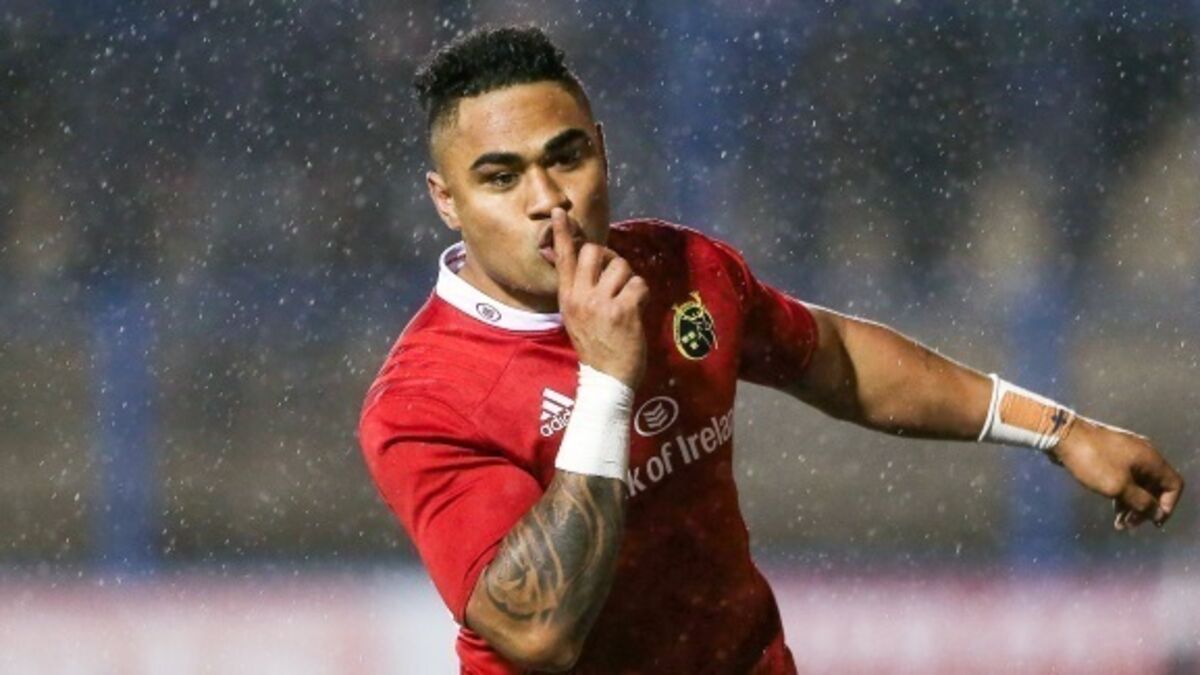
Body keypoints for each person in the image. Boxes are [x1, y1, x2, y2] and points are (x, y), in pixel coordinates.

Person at [357, 25, 1184, 674]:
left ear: (602, 148)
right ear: (446, 200)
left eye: (566, 157)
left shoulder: (680, 270)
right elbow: (539, 628)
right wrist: (606, 379)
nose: (548, 199)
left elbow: (837, 360)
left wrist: (1060, 430)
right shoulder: (425, 399)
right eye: (501, 177)